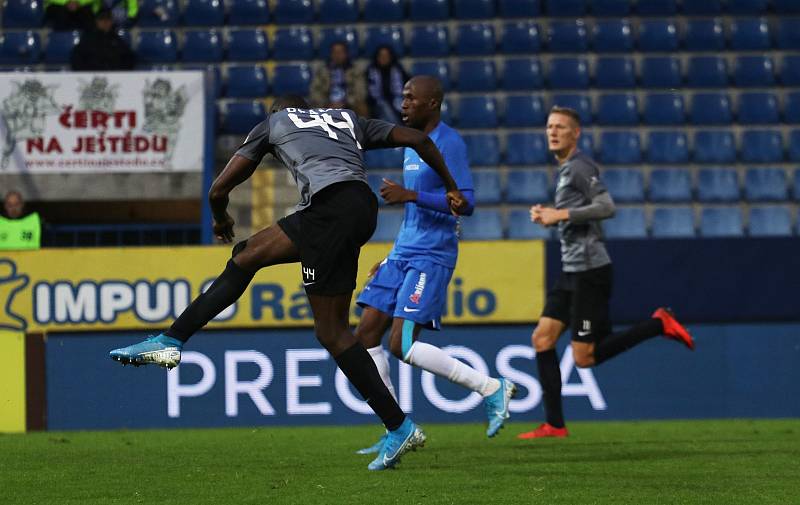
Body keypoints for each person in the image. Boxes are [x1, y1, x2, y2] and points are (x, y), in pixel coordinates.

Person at [109, 95, 469, 471]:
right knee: (247, 257)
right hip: (357, 207)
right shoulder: (346, 118)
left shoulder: (274, 124)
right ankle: (171, 341)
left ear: (277, 112)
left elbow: (218, 190)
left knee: (331, 332)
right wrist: (451, 187)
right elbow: (419, 140)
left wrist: (220, 220)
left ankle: (399, 426)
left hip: (328, 211)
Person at [353, 75, 517, 456]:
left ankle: (491, 388)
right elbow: (415, 213)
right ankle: (396, 426)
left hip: (432, 254)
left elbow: (467, 203)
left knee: (402, 344)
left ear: (433, 103)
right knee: (365, 335)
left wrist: (410, 194)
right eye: (403, 97)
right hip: (404, 251)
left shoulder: (449, 142)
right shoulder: (411, 145)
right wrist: (391, 255)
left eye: (411, 98)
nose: (404, 103)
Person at [516, 106, 695, 440]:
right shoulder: (566, 169)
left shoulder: (581, 166)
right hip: (571, 271)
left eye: (561, 127)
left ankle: (659, 323)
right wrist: (551, 214)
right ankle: (554, 424)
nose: (553, 132)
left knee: (583, 358)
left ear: (575, 133)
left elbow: (607, 206)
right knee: (542, 338)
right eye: (550, 127)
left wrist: (561, 214)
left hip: (589, 272)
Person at [310, 41, 368, 117]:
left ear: (346, 54)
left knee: (362, 107)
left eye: (340, 52)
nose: (337, 55)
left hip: (349, 104)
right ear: (331, 54)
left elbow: (360, 92)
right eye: (335, 52)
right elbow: (315, 90)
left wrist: (345, 103)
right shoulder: (322, 71)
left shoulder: (355, 70)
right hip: (326, 104)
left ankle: (359, 128)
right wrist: (326, 103)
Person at [70, 8, 136, 71]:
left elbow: (129, 59)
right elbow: (76, 59)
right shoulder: (87, 40)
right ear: (96, 21)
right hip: (91, 76)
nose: (105, 22)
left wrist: (117, 72)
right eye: (101, 19)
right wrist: (88, 73)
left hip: (114, 76)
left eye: (108, 19)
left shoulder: (117, 40)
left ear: (112, 22)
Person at [365, 45, 408, 123]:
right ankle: (397, 129)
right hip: (376, 103)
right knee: (384, 106)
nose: (383, 58)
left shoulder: (398, 70)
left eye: (386, 56)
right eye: (381, 56)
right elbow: (369, 93)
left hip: (398, 101)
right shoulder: (370, 71)